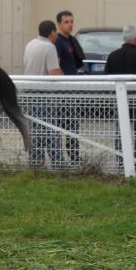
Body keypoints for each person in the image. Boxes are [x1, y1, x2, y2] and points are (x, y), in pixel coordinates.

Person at [104, 25, 136, 169]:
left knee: (120, 131)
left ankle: (121, 163)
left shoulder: (113, 55)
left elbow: (107, 78)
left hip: (119, 99)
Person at [23, 20, 64, 167]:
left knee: (35, 129)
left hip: (29, 93)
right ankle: (58, 162)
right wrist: (65, 78)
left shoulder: (31, 44)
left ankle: (35, 161)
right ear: (52, 32)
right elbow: (54, 72)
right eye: (56, 33)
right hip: (44, 93)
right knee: (51, 128)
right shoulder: (49, 47)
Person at [54, 10, 85, 166]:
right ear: (59, 24)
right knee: (61, 124)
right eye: (66, 22)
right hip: (62, 89)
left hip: (73, 87)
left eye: (72, 21)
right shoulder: (58, 42)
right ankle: (59, 158)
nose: (70, 25)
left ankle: (74, 156)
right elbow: (56, 65)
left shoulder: (71, 41)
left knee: (73, 124)